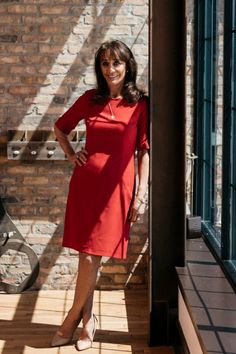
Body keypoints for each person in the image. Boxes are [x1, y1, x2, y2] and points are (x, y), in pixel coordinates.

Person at [51, 39, 149, 351]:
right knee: (88, 256)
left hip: (118, 190)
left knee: (93, 255)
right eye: (105, 64)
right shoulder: (89, 100)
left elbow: (144, 151)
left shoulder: (140, 104)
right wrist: (70, 153)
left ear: (127, 65)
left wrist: (141, 194)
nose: (111, 69)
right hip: (86, 185)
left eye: (116, 63)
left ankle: (71, 320)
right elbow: (60, 127)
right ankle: (87, 322)